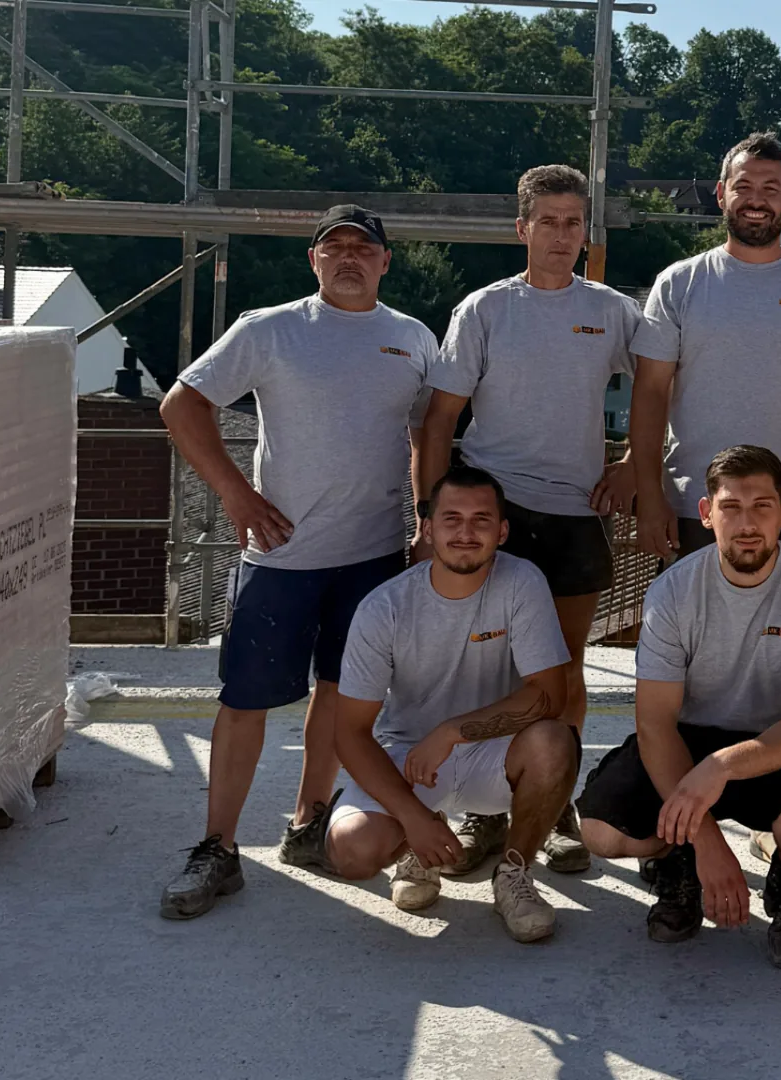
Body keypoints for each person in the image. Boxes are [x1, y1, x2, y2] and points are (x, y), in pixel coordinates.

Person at [158, 205, 441, 920]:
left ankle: (307, 823)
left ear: (385, 261)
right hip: (282, 555)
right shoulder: (270, 328)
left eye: (363, 247)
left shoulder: (411, 339)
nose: (349, 257)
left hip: (373, 555)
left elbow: (421, 440)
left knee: (343, 697)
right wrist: (235, 494)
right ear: (312, 261)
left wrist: (425, 522)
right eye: (333, 247)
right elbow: (180, 405)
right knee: (245, 701)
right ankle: (217, 848)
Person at [421, 164, 642, 879]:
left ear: (586, 232)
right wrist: (430, 512)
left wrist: (637, 459)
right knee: (486, 664)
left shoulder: (610, 311)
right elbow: (442, 416)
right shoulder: (485, 309)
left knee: (563, 670)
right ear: (521, 229)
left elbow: (666, 381)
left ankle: (555, 806)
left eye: (572, 222)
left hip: (576, 512)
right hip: (497, 512)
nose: (559, 234)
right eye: (546, 221)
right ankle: (485, 808)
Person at [577, 445, 781, 970]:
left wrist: (721, 767)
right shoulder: (672, 591)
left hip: (776, 744)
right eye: (731, 507)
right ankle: (679, 866)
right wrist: (706, 843)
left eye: (762, 507)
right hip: (688, 740)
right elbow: (655, 725)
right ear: (706, 514)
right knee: (601, 831)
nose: (747, 524)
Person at [325, 467, 578, 942]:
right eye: (451, 519)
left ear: (502, 531)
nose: (466, 532)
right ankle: (417, 846)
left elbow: (550, 696)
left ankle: (515, 876)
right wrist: (412, 817)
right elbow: (350, 732)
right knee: (352, 854)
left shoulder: (522, 581)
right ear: (428, 527)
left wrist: (451, 732)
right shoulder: (385, 607)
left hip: (493, 754)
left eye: (481, 520)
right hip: (410, 757)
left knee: (554, 741)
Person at [629, 132, 781, 565]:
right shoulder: (678, 284)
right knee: (693, 634)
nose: (756, 200)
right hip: (694, 509)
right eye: (744, 187)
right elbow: (649, 394)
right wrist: (649, 496)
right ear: (721, 194)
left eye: (770, 189)